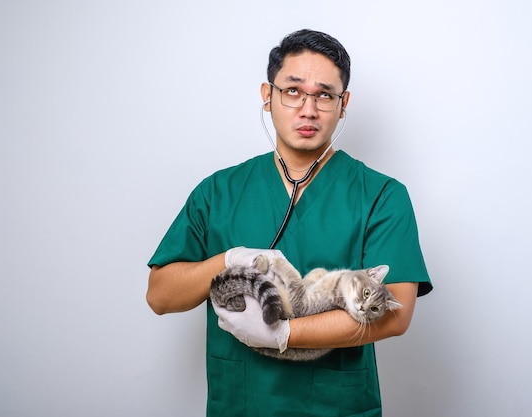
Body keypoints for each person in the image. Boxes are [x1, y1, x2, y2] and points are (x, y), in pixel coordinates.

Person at [147, 29, 433, 417]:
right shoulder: (218, 192)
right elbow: (160, 296)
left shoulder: (381, 195)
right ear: (268, 96)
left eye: (324, 95)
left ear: (343, 104)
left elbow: (397, 314)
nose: (308, 109)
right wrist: (228, 260)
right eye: (293, 91)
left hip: (336, 406)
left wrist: (283, 334)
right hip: (242, 403)